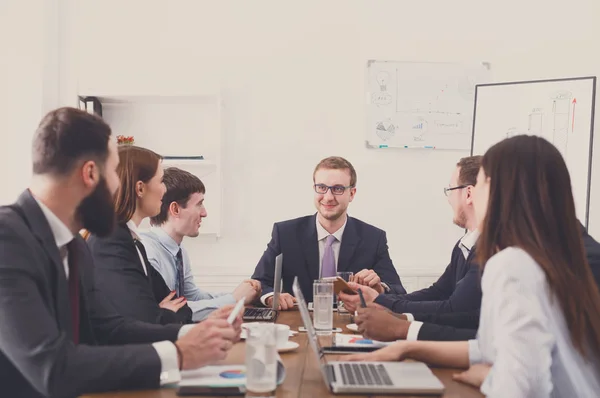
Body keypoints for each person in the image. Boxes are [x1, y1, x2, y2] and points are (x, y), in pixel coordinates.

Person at [0, 107, 240, 397]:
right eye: (115, 174)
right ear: (90, 173)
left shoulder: (75, 246)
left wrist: (194, 334)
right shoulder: (7, 241)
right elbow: (52, 367)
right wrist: (177, 355)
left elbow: (108, 328)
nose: (120, 187)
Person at [347, 135, 600, 397]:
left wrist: (489, 377)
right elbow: (498, 347)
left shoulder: (513, 264)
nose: (473, 192)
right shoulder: (559, 257)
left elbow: (520, 386)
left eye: (479, 182)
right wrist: (406, 347)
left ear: (500, 190)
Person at [354, 221, 600, 342]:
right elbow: (491, 336)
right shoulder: (518, 252)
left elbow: (472, 320)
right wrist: (402, 326)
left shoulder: (584, 260)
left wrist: (401, 324)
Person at [339, 156, 483, 333]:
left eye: (450, 190)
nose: (449, 199)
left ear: (468, 194)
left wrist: (380, 302)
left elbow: (454, 309)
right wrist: (381, 298)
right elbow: (437, 293)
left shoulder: (490, 250)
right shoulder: (464, 245)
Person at [251, 156, 406, 308]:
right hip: (299, 323)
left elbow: (399, 293)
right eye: (322, 187)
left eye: (338, 189)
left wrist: (379, 289)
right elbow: (259, 282)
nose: (328, 197)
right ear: (314, 189)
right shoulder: (285, 233)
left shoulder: (373, 238)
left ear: (351, 194)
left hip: (353, 325)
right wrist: (271, 297)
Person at [87, 145, 194, 325]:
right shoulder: (111, 242)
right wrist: (164, 313)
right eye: (161, 181)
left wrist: (163, 313)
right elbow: (147, 320)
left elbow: (181, 307)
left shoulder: (131, 240)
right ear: (140, 188)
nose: (165, 190)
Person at [141, 167, 261, 321]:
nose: (204, 213)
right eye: (199, 204)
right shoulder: (148, 252)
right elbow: (172, 312)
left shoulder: (178, 250)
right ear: (175, 209)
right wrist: (235, 299)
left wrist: (245, 294)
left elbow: (192, 297)